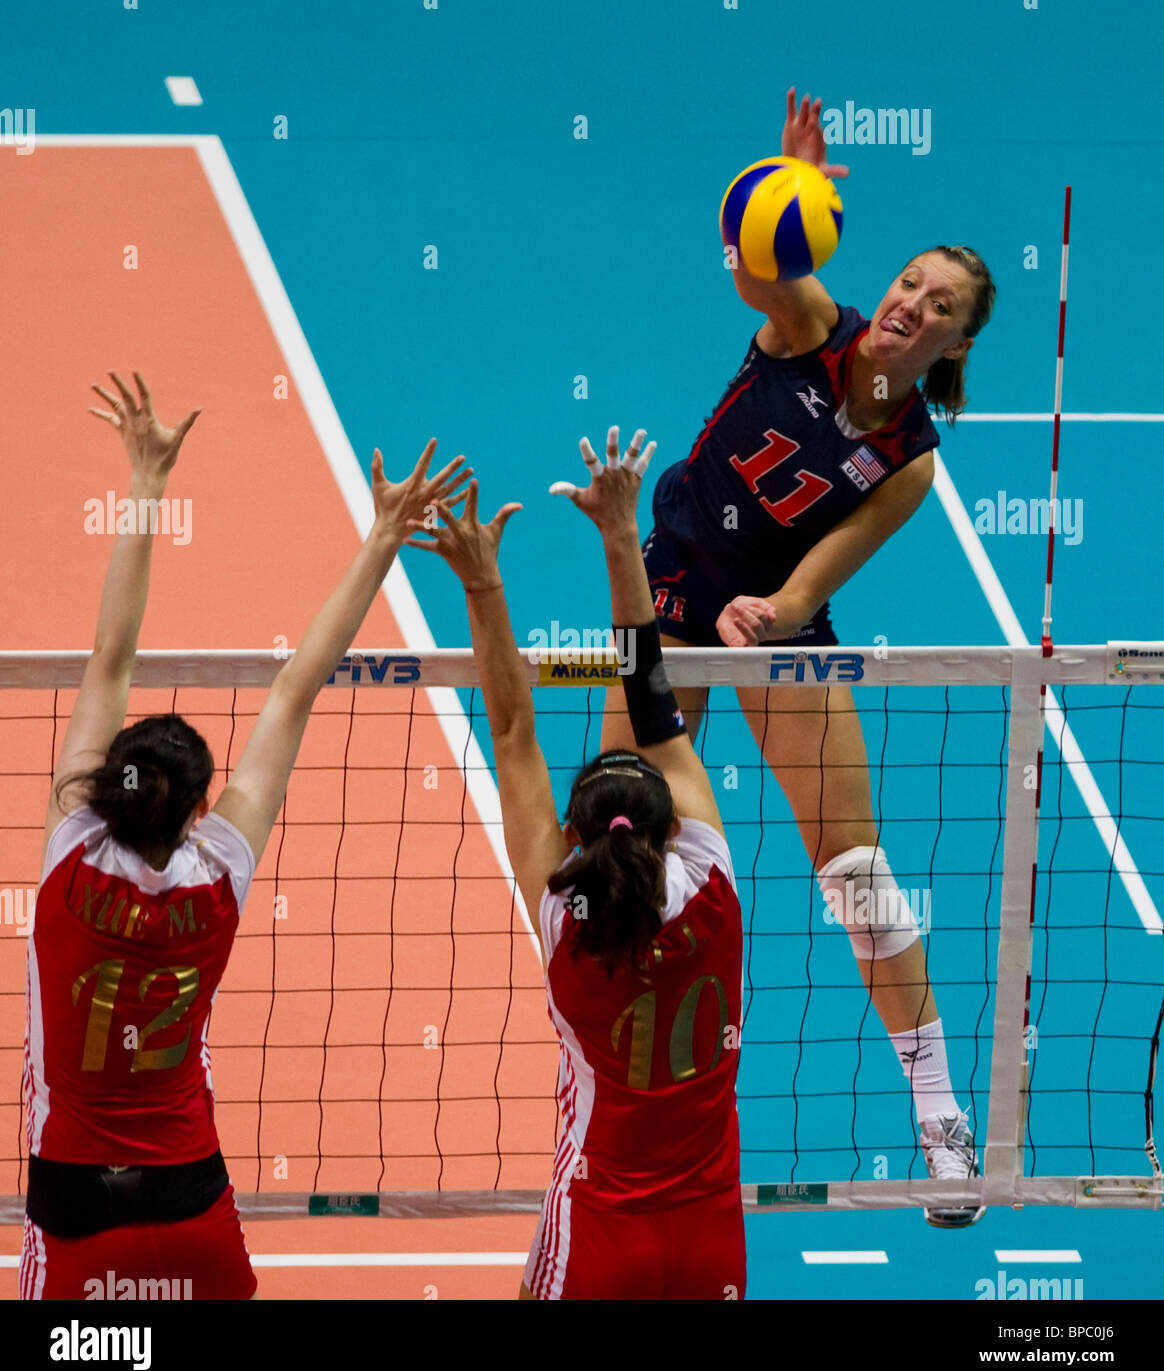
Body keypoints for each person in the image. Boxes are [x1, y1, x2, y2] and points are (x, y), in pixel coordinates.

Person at [628, 90, 996, 1227]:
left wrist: (773, 614)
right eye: (907, 282)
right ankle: (614, 1099)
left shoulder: (912, 462)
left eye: (937, 305)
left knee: (858, 875)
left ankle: (941, 1121)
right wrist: (794, 200)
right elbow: (752, 266)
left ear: (955, 342)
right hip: (670, 591)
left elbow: (817, 574)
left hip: (766, 625)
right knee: (626, 839)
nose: (908, 303)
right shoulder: (811, 328)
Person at [20, 370, 467, 1299]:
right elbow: (296, 688)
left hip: (73, 1196)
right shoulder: (217, 872)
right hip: (189, 1191)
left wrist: (145, 484)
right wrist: (384, 539)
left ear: (103, 788)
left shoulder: (70, 853)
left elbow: (113, 654)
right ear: (196, 811)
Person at [407, 426, 746, 1300]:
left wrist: (484, 583)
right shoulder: (713, 885)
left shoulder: (566, 920)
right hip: (713, 1238)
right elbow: (652, 695)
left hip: (600, 1233)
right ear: (675, 825)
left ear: (572, 834)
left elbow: (514, 733)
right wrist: (620, 537)